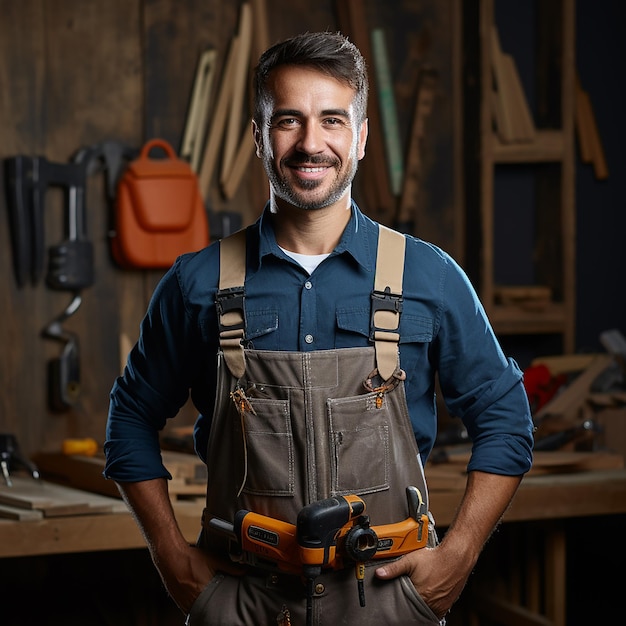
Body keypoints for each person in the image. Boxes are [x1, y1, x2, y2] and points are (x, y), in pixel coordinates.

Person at [104, 31, 534, 625]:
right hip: (244, 602)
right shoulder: (197, 282)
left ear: (359, 139)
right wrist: (173, 560)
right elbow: (129, 418)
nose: (312, 143)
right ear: (259, 137)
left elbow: (506, 417)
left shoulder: (428, 277)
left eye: (332, 120)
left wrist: (458, 555)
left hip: (388, 600)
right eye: (289, 120)